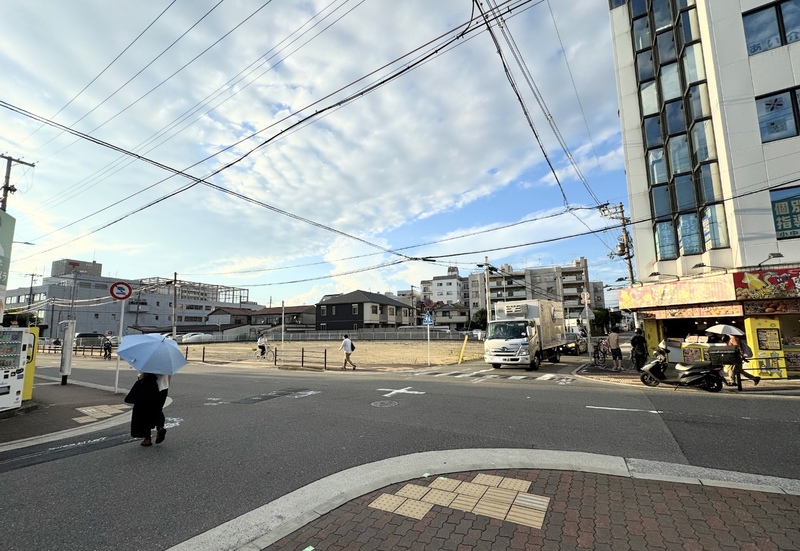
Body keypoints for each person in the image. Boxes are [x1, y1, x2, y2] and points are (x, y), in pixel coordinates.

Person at [128, 373, 161, 446]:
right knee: (153, 414)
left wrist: (140, 377)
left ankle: (147, 438)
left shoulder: (143, 378)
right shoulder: (156, 379)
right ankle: (160, 427)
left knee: (142, 417)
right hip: (155, 393)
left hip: (142, 398)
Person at [154, 374, 170, 444]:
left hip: (151, 387)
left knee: (147, 410)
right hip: (164, 388)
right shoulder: (166, 363)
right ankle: (160, 427)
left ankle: (147, 438)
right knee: (158, 409)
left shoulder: (148, 363)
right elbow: (169, 376)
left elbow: (142, 376)